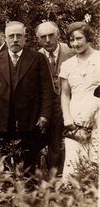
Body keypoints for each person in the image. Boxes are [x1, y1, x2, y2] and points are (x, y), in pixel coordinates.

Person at [0, 21, 54, 173]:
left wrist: (44, 115)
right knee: (5, 163)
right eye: (11, 36)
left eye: (19, 36)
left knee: (29, 165)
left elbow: (47, 89)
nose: (15, 39)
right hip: (3, 121)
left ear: (25, 38)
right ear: (5, 38)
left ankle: (29, 194)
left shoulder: (37, 58)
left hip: (30, 121)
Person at [59, 22, 100, 181]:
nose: (75, 43)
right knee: (75, 161)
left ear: (88, 38)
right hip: (76, 120)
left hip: (98, 116)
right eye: (71, 40)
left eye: (79, 38)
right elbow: (65, 95)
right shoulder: (67, 65)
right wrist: (68, 120)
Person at [36, 21, 75, 175]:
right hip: (48, 107)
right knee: (53, 142)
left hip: (71, 103)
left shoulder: (71, 51)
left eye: (51, 35)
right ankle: (55, 176)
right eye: (43, 37)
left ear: (58, 34)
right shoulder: (37, 56)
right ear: (38, 39)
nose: (47, 40)